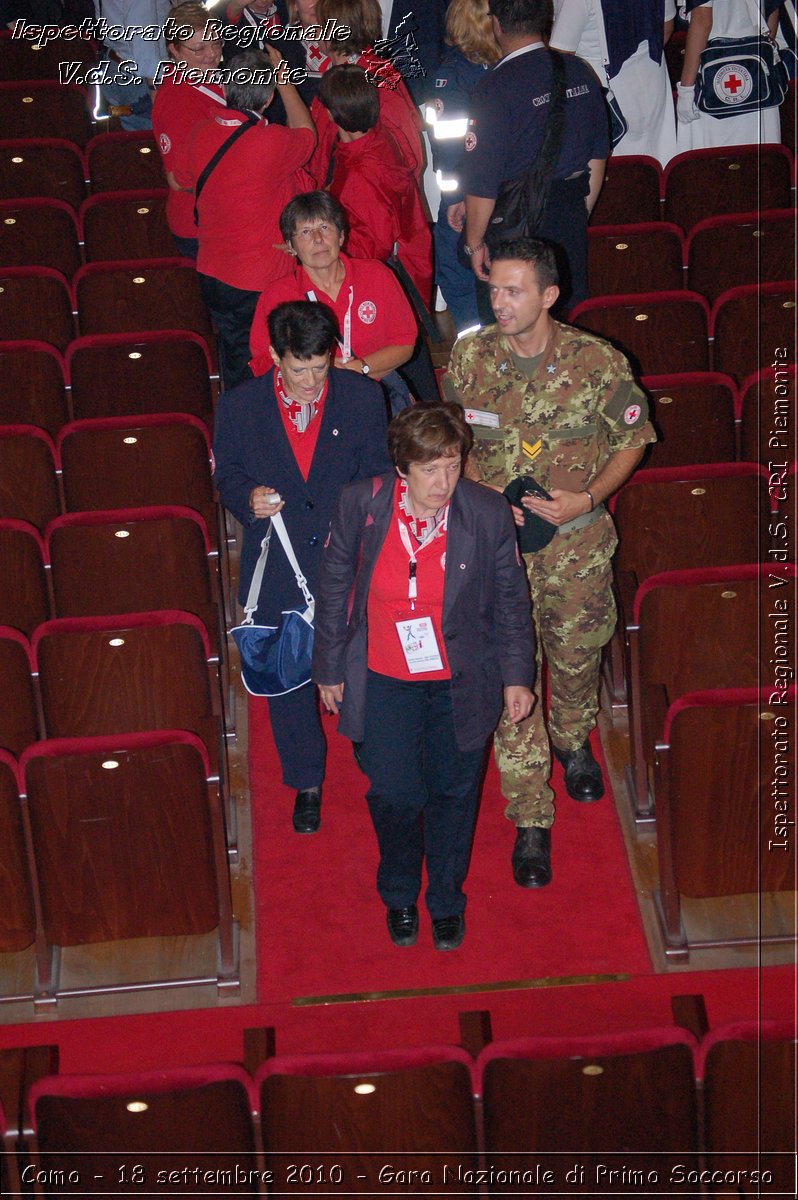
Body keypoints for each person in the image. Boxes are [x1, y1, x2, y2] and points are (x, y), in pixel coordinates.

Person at [443, 237, 656, 889]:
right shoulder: (470, 358)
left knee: (573, 660)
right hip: (498, 555)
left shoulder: (596, 363)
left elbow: (635, 438)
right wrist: (479, 499)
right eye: (494, 289)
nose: (497, 302)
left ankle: (571, 739)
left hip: (577, 551)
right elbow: (456, 440)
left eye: (513, 291)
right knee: (511, 676)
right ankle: (530, 814)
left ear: (548, 296)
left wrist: (589, 497)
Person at [313, 401, 535, 950]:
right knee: (394, 793)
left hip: (460, 679)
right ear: (401, 469)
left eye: (453, 465)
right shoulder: (361, 506)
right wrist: (330, 665)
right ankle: (397, 892)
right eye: (430, 469)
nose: (444, 481)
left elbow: (511, 599)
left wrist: (517, 676)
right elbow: (335, 586)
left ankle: (444, 900)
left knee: (454, 793)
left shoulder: (484, 513)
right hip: (383, 676)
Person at [213, 301, 392, 834]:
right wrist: (250, 498)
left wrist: (355, 517)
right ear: (273, 357)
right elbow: (228, 479)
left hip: (347, 556)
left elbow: (380, 473)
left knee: (363, 662)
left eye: (322, 366)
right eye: (300, 369)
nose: (314, 381)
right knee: (287, 674)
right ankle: (306, 780)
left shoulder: (362, 395)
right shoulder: (239, 408)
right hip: (279, 559)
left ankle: (374, 754)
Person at [177, 48, 316, 389]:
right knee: (263, 362)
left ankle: (236, 425)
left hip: (211, 270)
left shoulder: (198, 133)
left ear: (226, 88)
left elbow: (183, 178)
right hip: (257, 277)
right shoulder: (271, 141)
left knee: (233, 356)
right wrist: (285, 80)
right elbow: (308, 135)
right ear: (268, 97)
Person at [459, 0, 609, 317]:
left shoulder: (494, 88)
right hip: (570, 216)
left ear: (497, 24)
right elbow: (597, 156)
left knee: (512, 332)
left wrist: (473, 244)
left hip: (515, 228)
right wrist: (578, 214)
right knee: (565, 327)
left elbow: (482, 184)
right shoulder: (581, 72)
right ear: (547, 20)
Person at [249, 191, 418, 413]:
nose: (318, 239)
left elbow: (405, 343)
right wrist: (316, 375)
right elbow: (263, 361)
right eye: (306, 232)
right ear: (290, 246)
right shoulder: (277, 295)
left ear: (341, 236)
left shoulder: (377, 275)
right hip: (310, 403)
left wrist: (359, 368)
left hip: (376, 392)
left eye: (325, 228)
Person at [317, 63, 433, 305]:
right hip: (412, 259)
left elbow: (370, 249)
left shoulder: (360, 175)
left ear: (330, 114)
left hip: (381, 284)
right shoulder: (379, 137)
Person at [425, 0, 501, 332]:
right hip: (484, 190)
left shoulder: (460, 74)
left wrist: (455, 196)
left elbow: (449, 145)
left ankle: (479, 337)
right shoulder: (461, 75)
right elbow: (451, 146)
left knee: (467, 267)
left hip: (479, 190)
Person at [307, 0, 426, 186]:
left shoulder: (376, 77)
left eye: (319, 22)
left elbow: (407, 154)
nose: (313, 29)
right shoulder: (342, 74)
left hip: (362, 203)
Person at [551, 0, 678, 167]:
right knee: (654, 172)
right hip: (652, 79)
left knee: (615, 179)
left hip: (603, 88)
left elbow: (561, 59)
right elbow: (667, 26)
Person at [152, 3, 227, 259]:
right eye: (198, 49)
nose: (211, 54)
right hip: (200, 225)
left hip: (217, 219)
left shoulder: (206, 78)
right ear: (174, 49)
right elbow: (178, 179)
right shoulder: (178, 100)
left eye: (215, 43)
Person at [676, 0, 783, 149]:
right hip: (756, 66)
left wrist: (686, 88)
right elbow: (773, 9)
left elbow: (702, 20)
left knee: (715, 157)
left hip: (714, 67)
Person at [91, 0, 171, 130]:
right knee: (153, 139)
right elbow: (144, 35)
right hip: (142, 77)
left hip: (116, 62)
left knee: (135, 141)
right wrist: (155, 88)